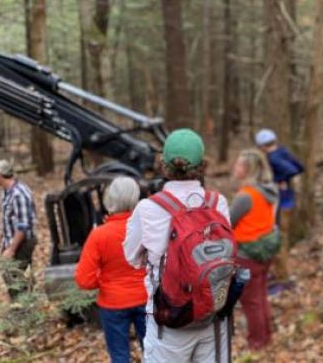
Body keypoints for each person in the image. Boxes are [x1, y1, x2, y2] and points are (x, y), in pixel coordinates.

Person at [123, 129, 231, 362]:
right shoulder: (217, 203)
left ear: (163, 166)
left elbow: (131, 257)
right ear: (203, 166)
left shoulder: (148, 208)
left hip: (169, 320)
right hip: (212, 315)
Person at [74, 176, 147, 363]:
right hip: (146, 299)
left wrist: (106, 282)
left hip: (113, 304)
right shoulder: (148, 229)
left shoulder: (99, 235)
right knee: (154, 353)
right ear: (135, 199)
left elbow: (84, 280)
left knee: (119, 357)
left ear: (109, 200)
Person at [230, 148, 279, 350]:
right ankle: (266, 337)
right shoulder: (268, 191)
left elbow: (229, 222)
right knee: (260, 297)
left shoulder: (246, 196)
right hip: (263, 252)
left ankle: (257, 343)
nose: (235, 167)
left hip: (247, 254)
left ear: (248, 169)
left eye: (239, 164)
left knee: (250, 302)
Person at [254, 128, 303, 286]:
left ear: (262, 147)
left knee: (277, 238)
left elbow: (293, 170)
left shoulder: (272, 157)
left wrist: (278, 179)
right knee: (283, 237)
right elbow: (300, 166)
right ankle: (281, 272)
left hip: (280, 204)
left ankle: (283, 277)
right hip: (288, 201)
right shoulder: (283, 152)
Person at [0, 159, 38, 300]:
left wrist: (11, 249)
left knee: (17, 278)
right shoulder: (6, 192)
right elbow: (8, 218)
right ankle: (20, 308)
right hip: (12, 240)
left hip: (22, 242)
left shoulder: (19, 194)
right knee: (10, 276)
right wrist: (0, 236)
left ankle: (24, 311)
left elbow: (23, 225)